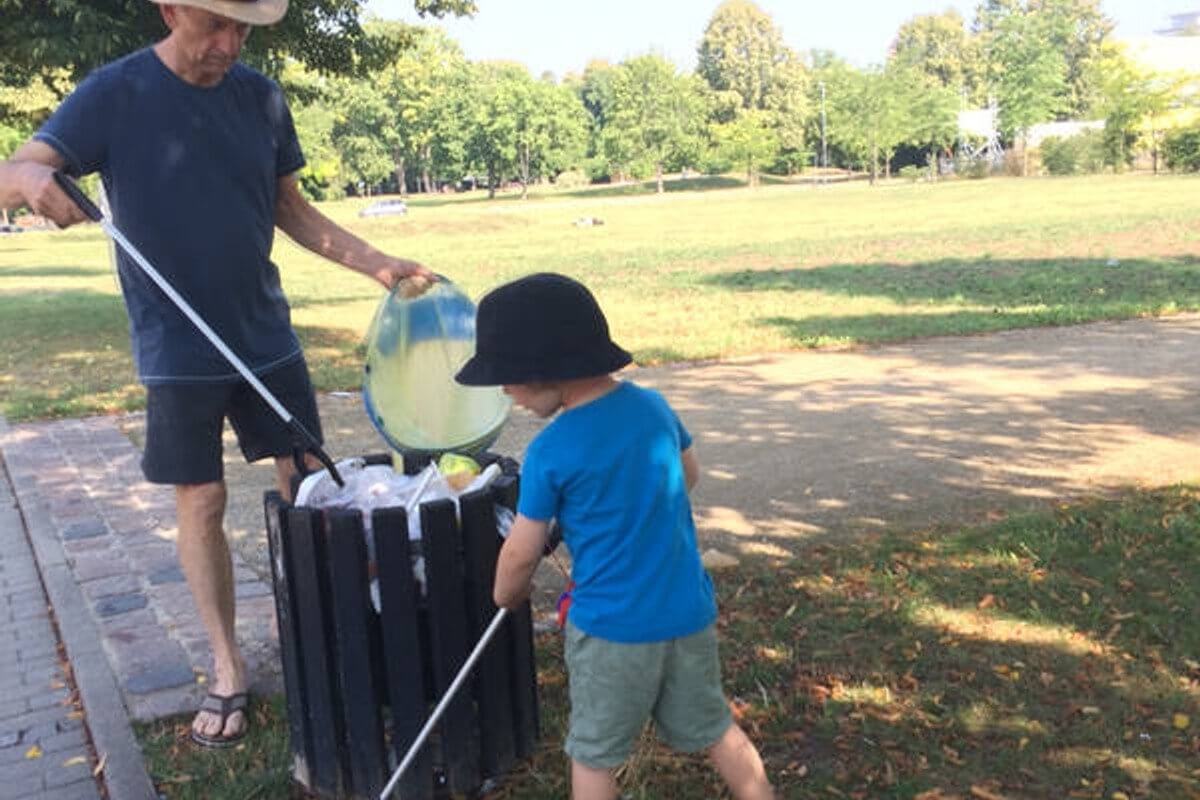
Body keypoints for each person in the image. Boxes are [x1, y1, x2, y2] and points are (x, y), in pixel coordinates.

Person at [0, 0, 435, 747]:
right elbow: (20, 167)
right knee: (200, 499)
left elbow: (290, 209)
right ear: (172, 10)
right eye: (217, 26)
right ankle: (228, 664)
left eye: (244, 30)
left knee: (309, 480)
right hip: (176, 345)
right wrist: (31, 182)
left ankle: (328, 634)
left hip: (264, 330)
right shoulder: (116, 91)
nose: (232, 44)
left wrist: (377, 264)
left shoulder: (261, 97)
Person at [455, 273, 774, 800]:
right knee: (717, 728)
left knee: (594, 755)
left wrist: (504, 596)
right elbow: (687, 475)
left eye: (508, 377)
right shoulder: (653, 408)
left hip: (611, 632)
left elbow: (520, 552)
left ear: (544, 368)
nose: (505, 391)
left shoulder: (551, 451)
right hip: (687, 615)